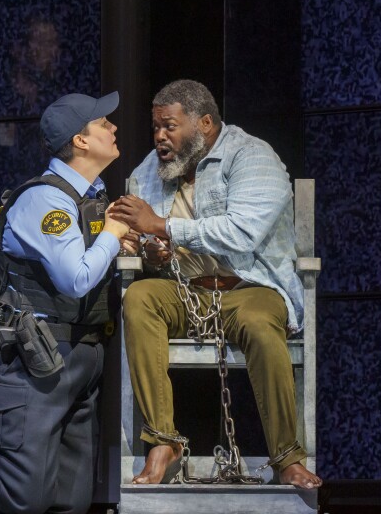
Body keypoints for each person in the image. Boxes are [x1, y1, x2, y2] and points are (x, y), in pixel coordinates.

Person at [0, 92, 134, 514]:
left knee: (69, 501)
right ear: (80, 140)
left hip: (82, 356)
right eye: (102, 123)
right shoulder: (44, 200)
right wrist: (113, 232)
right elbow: (75, 278)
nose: (113, 128)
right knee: (23, 497)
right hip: (35, 360)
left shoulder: (92, 195)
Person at [108, 79, 323, 489]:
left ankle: (287, 457)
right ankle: (162, 443)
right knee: (139, 297)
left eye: (169, 126)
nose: (159, 137)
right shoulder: (147, 172)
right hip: (187, 293)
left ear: (204, 123)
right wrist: (149, 249)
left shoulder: (252, 157)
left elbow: (242, 233)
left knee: (261, 326)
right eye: (155, 127)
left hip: (250, 288)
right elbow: (145, 237)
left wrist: (163, 225)